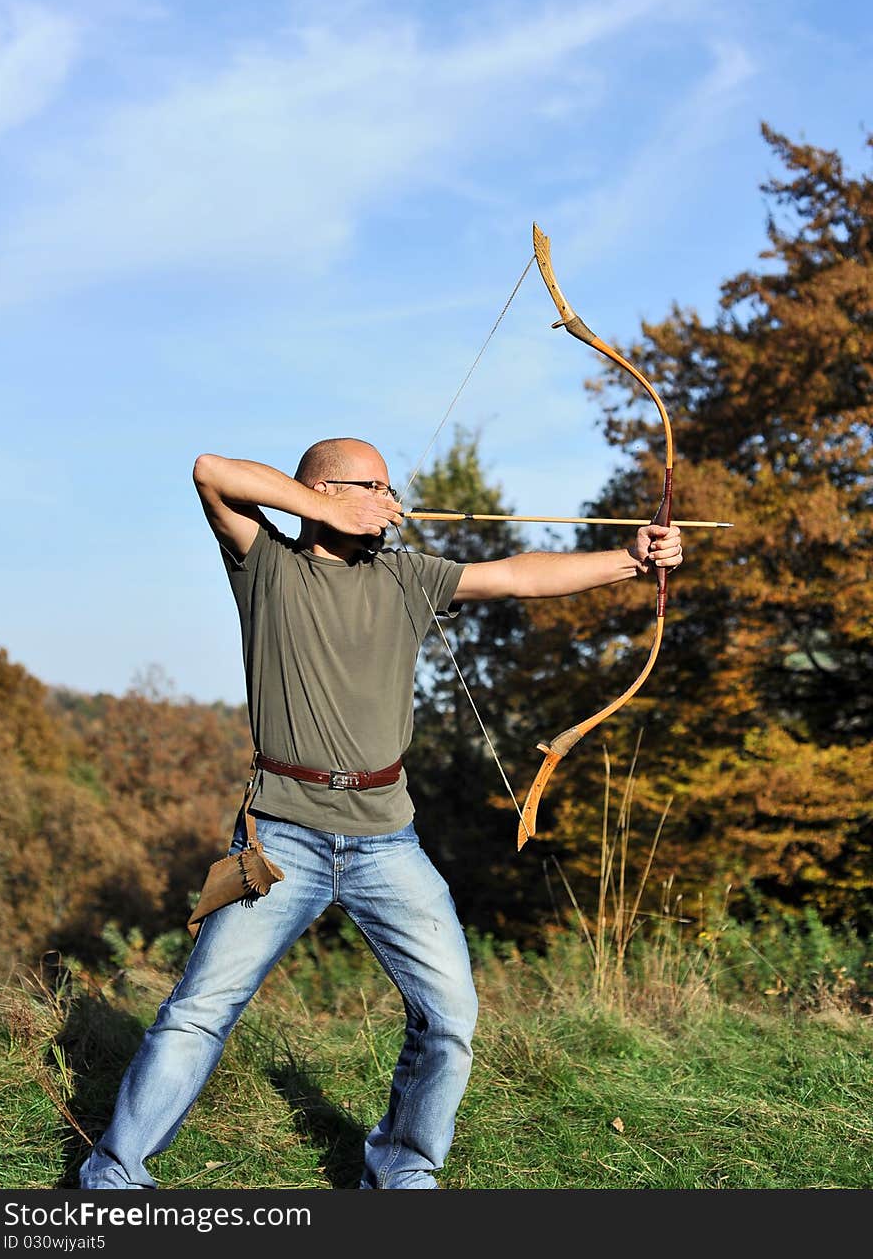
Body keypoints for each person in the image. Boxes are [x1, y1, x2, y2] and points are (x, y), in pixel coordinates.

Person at [79, 436, 683, 1190]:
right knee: (199, 1010)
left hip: (386, 842)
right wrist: (329, 506)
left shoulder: (407, 576)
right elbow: (213, 472)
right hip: (281, 838)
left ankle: (402, 1169)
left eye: (391, 490)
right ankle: (114, 1178)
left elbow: (518, 577)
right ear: (325, 491)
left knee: (450, 1014)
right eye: (373, 488)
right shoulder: (266, 563)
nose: (391, 502)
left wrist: (632, 561)